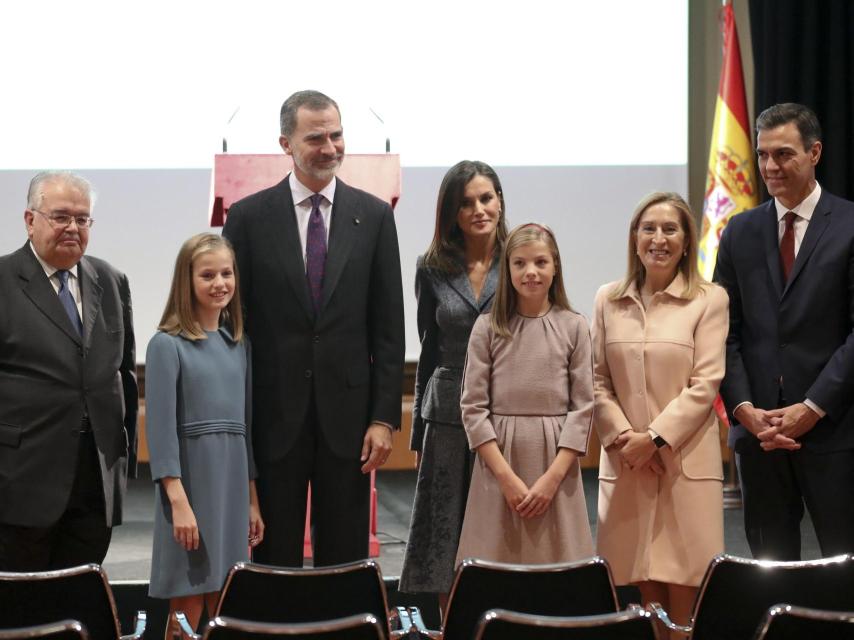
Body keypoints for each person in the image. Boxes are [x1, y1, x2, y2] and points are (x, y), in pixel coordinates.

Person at [222, 90, 405, 567]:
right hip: (273, 416)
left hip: (349, 421)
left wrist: (383, 418)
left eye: (337, 135)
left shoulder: (376, 216)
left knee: (344, 559)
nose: (330, 147)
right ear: (286, 143)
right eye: (316, 138)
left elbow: (388, 328)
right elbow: (231, 324)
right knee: (274, 556)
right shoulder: (247, 218)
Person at [714, 103, 854, 560]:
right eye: (762, 155)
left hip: (834, 430)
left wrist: (812, 407)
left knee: (842, 568)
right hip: (758, 435)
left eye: (784, 154)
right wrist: (743, 408)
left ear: (815, 152)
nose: (770, 167)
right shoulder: (739, 231)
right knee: (768, 572)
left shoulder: (850, 224)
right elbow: (724, 332)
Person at [592, 192, 728, 635]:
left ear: (687, 241)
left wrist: (652, 438)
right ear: (634, 239)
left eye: (670, 229)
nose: (659, 239)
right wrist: (626, 441)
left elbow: (705, 384)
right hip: (628, 464)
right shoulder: (606, 299)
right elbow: (596, 382)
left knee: (684, 591)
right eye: (648, 228)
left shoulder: (710, 299)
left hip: (682, 464)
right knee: (643, 591)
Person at [0, 171, 138, 571]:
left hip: (95, 480)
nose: (73, 228)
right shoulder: (4, 280)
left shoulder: (111, 280)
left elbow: (124, 375)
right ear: (30, 220)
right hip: (20, 480)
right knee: (21, 613)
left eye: (82, 219)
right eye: (61, 217)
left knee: (79, 602)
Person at [399, 161, 507, 606]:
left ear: (500, 200)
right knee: (445, 529)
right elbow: (427, 346)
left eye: (486, 198)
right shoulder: (432, 266)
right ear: (452, 213)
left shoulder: (521, 257)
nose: (479, 209)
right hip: (447, 411)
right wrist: (418, 434)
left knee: (501, 524)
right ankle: (450, 625)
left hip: (506, 408)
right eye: (466, 203)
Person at [455, 223, 594, 566]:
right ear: (507, 268)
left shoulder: (574, 326)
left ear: (555, 266)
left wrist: (551, 479)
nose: (531, 272)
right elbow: (473, 408)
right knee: (495, 567)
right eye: (520, 263)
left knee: (557, 569)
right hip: (499, 464)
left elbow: (583, 407)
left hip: (555, 465)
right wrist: (507, 478)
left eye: (540, 263)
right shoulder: (487, 328)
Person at [146, 233, 264, 635]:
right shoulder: (166, 345)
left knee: (224, 597)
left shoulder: (239, 344)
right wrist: (177, 501)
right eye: (207, 274)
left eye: (226, 273)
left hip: (231, 486)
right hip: (191, 487)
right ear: (187, 281)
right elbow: (160, 434)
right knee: (188, 596)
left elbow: (244, 429)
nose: (220, 283)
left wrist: (251, 500)